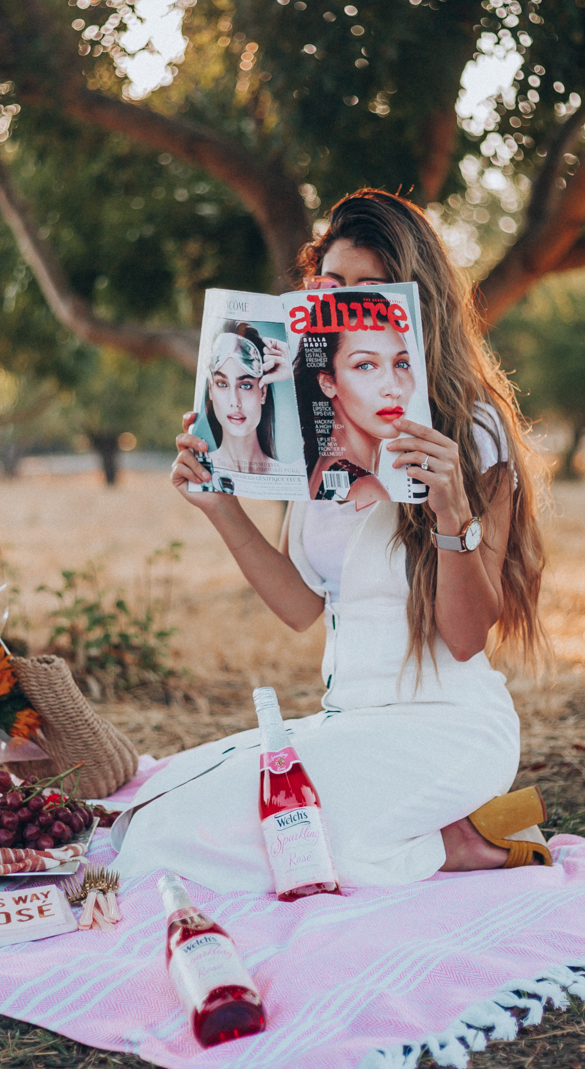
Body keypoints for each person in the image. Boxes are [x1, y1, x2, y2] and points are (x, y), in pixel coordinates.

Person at [112, 189, 548, 891]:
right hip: (350, 724)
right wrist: (218, 506)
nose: (346, 306)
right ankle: (433, 833)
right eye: (331, 289)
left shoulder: (471, 429)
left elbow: (466, 637)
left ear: (414, 306)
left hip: (448, 729)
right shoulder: (318, 444)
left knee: (183, 847)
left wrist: (449, 509)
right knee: (153, 812)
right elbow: (301, 607)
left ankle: (449, 842)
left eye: (370, 292)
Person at [292, 291, 421, 503]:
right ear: (328, 382)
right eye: (365, 365)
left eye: (401, 364)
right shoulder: (365, 489)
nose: (394, 388)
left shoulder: (321, 468)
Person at [203, 322, 292, 476]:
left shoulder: (291, 475)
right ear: (211, 389)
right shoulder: (200, 472)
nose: (234, 402)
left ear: (263, 392)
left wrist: (295, 368)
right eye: (222, 384)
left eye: (245, 385)